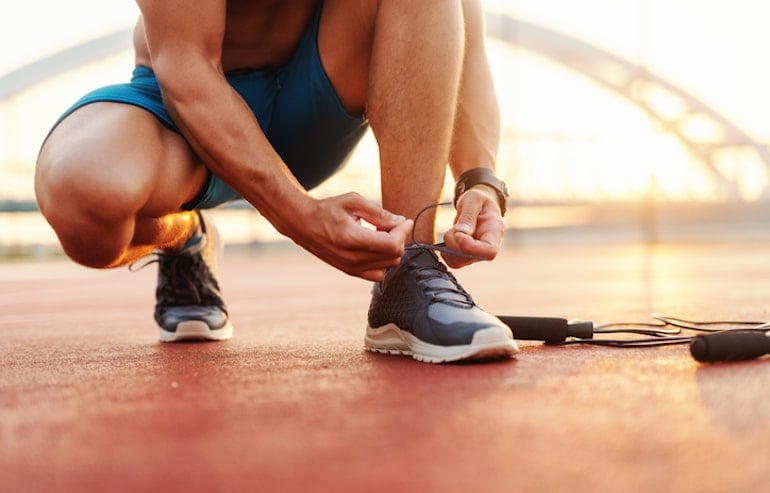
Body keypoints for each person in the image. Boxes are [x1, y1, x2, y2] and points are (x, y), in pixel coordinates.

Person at [34, 0, 519, 363]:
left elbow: (465, 35)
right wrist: (299, 217)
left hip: (320, 95)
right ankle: (186, 235)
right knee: (83, 201)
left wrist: (480, 180)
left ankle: (411, 269)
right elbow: (186, 68)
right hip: (192, 107)